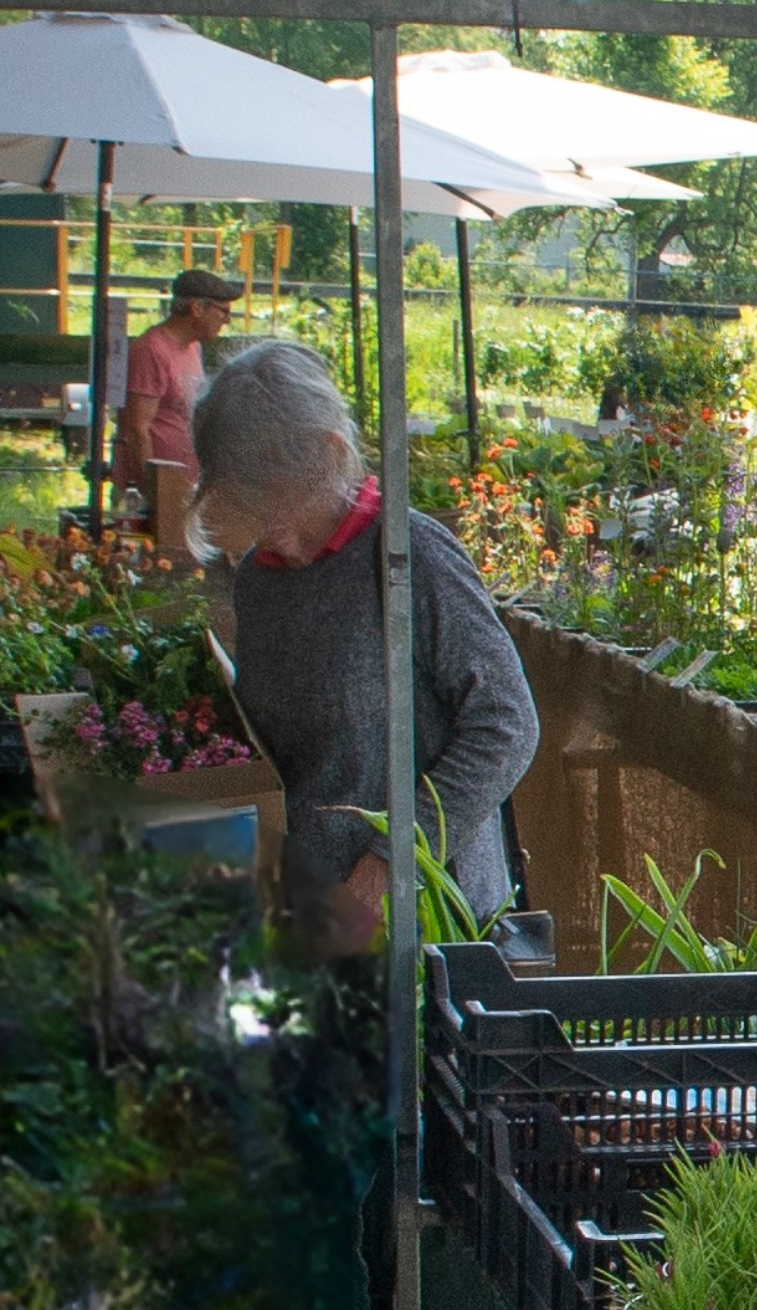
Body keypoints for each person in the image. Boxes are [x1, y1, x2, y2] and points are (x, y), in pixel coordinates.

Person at [185, 338, 534, 958]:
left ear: (328, 457)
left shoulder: (408, 556)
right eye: (250, 507)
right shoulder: (260, 580)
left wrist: (387, 864)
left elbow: (507, 724)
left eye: (279, 503)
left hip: (425, 922)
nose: (275, 536)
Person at [123, 265, 239, 557]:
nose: (227, 320)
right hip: (156, 490)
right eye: (223, 312)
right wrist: (153, 492)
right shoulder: (151, 349)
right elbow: (136, 429)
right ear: (197, 308)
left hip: (185, 481)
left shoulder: (193, 348)